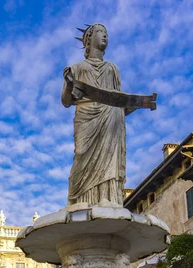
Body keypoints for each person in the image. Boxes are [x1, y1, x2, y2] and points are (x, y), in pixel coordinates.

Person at [62, 23, 156, 208]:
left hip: (112, 117)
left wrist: (138, 103)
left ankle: (108, 198)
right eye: (99, 32)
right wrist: (68, 84)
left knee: (110, 159)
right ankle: (80, 201)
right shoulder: (77, 67)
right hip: (87, 116)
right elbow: (66, 101)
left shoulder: (112, 68)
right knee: (81, 154)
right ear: (88, 39)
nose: (104, 35)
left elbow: (118, 100)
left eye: (106, 33)